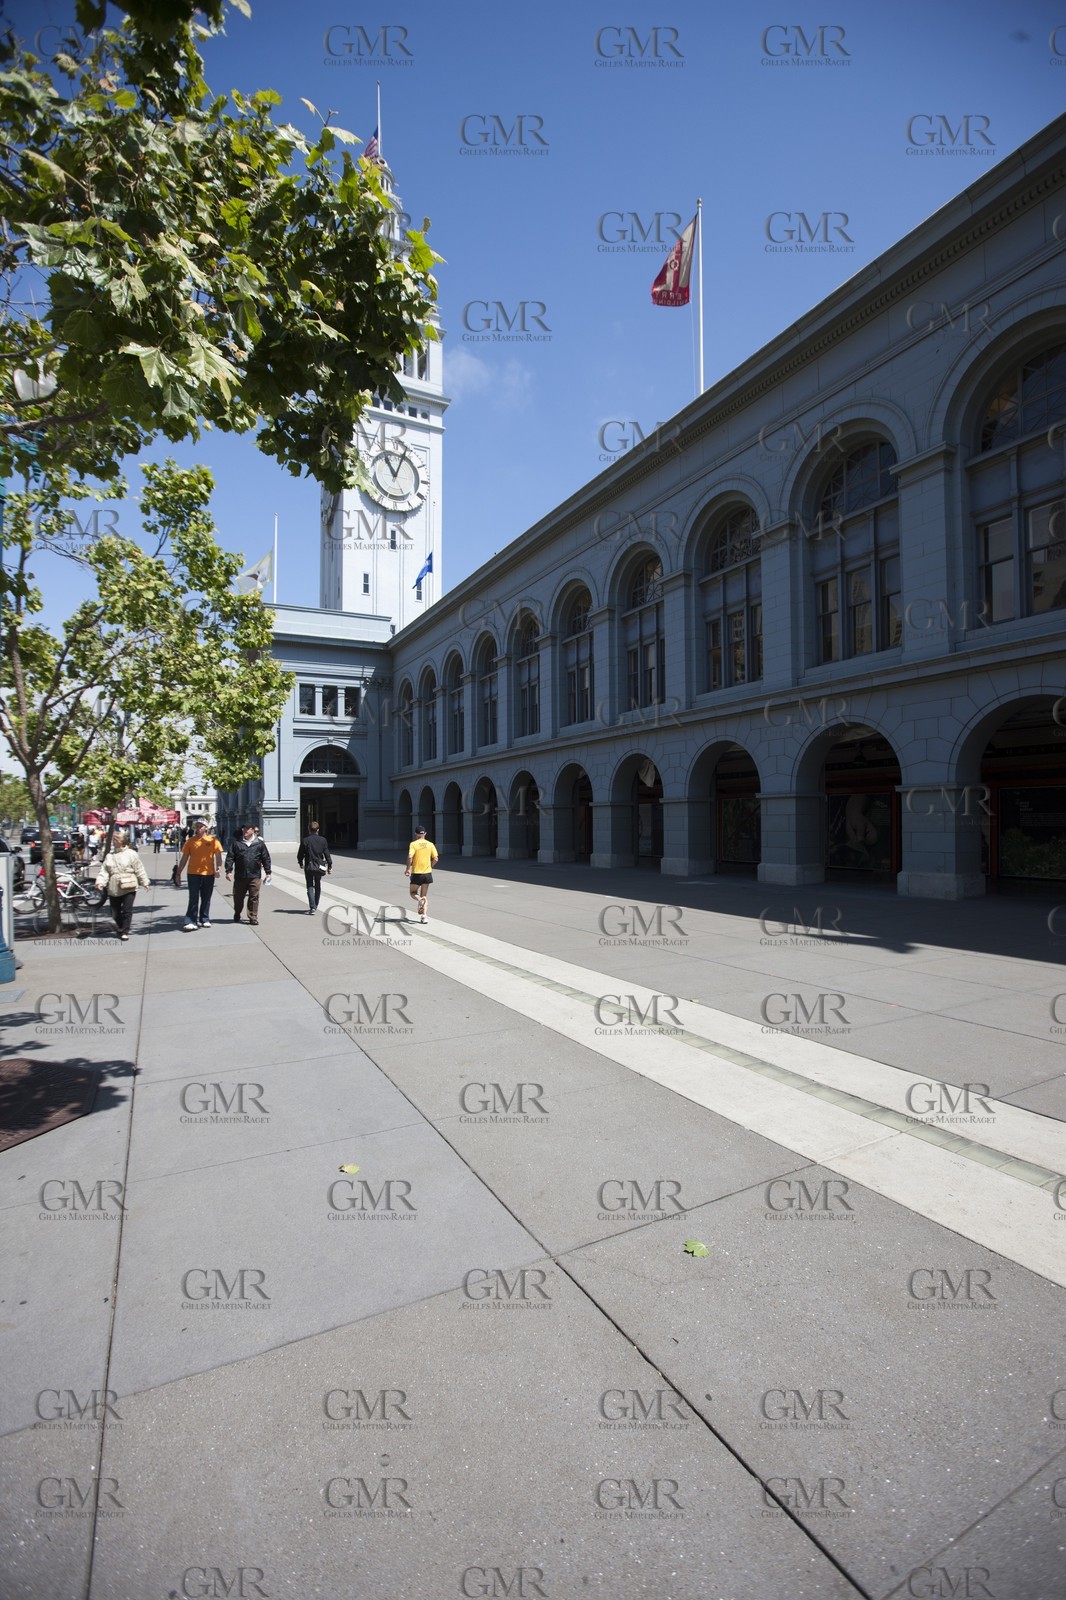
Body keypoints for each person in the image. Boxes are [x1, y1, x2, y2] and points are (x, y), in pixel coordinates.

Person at [95, 827, 150, 941]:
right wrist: (100, 882)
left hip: (129, 885)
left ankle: (125, 931)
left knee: (127, 909)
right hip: (114, 886)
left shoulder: (131, 854)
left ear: (121, 841)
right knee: (114, 911)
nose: (113, 842)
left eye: (115, 840)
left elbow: (139, 868)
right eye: (113, 840)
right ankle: (120, 927)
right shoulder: (110, 855)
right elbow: (104, 870)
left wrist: (145, 882)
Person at [174, 818, 223, 930]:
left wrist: (218, 868)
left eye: (201, 826)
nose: (198, 828)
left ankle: (204, 918)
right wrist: (178, 873)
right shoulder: (190, 841)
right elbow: (184, 858)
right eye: (197, 826)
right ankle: (191, 920)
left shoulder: (213, 841)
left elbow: (218, 856)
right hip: (193, 873)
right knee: (193, 897)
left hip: (208, 873)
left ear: (206, 828)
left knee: (206, 897)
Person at [225, 822, 272, 925]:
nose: (245, 831)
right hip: (240, 875)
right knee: (238, 897)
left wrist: (268, 872)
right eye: (243, 829)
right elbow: (230, 857)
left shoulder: (259, 844)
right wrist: (228, 871)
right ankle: (237, 912)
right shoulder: (237, 843)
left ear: (252, 830)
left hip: (254, 875)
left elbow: (266, 858)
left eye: (247, 829)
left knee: (254, 897)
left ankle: (253, 917)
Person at [297, 820, 333, 914]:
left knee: (309, 885)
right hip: (320, 866)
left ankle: (312, 907)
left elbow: (300, 853)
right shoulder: (323, 840)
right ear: (318, 830)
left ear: (309, 830)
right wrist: (330, 865)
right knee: (317, 884)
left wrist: (300, 862)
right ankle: (316, 904)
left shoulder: (305, 840)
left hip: (309, 865)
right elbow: (327, 853)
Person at [405, 826, 439, 924]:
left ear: (416, 834)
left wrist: (408, 869)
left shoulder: (413, 844)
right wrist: (430, 866)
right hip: (427, 873)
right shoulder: (430, 844)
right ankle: (424, 917)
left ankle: (419, 900)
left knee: (413, 892)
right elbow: (436, 858)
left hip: (417, 873)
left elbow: (410, 856)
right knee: (424, 895)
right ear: (425, 833)